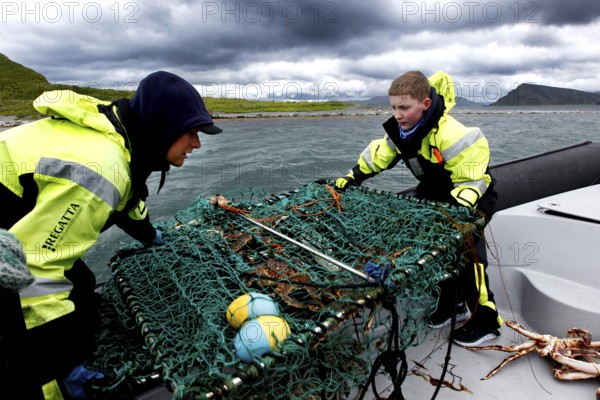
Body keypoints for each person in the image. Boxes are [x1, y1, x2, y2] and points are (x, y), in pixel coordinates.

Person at [0, 71, 222, 399]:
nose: (197, 143)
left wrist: (151, 236)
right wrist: (61, 371)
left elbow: (128, 202)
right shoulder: (100, 169)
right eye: (191, 132)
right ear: (163, 127)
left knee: (83, 286)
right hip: (11, 248)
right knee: (33, 339)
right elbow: (34, 271)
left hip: (18, 230)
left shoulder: (124, 139)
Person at [335, 70, 503, 347]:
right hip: (432, 195)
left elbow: (472, 179)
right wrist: (352, 176)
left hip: (471, 198)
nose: (397, 114)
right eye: (393, 107)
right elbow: (380, 155)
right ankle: (452, 306)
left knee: (468, 257)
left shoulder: (456, 136)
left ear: (424, 105)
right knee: (436, 254)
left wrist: (454, 212)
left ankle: (486, 320)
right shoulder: (402, 133)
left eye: (404, 107)